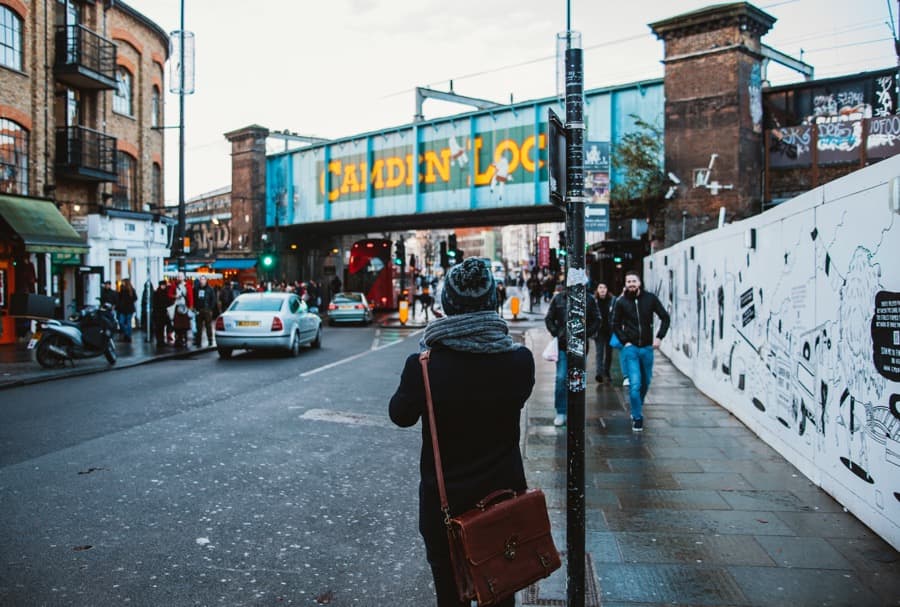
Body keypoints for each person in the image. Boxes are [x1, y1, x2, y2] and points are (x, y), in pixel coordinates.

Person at [389, 258, 534, 607]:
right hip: (502, 502)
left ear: (447, 305)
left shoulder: (423, 367)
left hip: (444, 508)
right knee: (501, 589)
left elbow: (400, 415)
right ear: (492, 303)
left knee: (450, 597)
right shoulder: (520, 362)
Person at [611, 271, 671, 432]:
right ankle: (637, 417)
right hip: (630, 349)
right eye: (628, 281)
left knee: (645, 383)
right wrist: (625, 341)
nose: (631, 284)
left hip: (647, 348)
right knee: (635, 384)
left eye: (633, 281)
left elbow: (665, 317)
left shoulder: (650, 299)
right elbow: (615, 323)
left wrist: (659, 337)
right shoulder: (621, 302)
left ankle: (637, 406)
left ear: (639, 283)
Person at [544, 282, 600, 426]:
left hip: (580, 346)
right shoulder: (559, 299)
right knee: (562, 377)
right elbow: (549, 318)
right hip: (563, 346)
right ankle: (561, 411)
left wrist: (586, 334)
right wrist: (557, 333)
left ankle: (575, 410)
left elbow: (597, 320)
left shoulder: (588, 299)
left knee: (577, 378)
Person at [593, 282, 614, 383]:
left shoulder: (612, 300)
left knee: (609, 353)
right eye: (600, 287)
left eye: (604, 287)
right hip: (599, 331)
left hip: (610, 330)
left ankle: (607, 372)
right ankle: (599, 373)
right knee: (599, 352)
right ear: (597, 289)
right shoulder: (594, 301)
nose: (602, 290)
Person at [168, 273, 194, 348]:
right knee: (177, 325)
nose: (179, 278)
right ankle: (178, 339)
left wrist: (191, 306)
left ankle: (184, 339)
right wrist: (175, 296)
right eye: (178, 277)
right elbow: (169, 295)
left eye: (181, 277)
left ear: (184, 277)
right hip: (177, 306)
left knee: (184, 325)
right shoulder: (174, 285)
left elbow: (190, 297)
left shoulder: (188, 286)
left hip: (185, 307)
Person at [193, 275, 217, 347]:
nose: (202, 281)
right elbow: (194, 298)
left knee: (208, 326)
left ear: (206, 280)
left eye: (203, 279)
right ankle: (198, 342)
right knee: (198, 327)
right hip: (198, 310)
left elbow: (213, 299)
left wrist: (210, 308)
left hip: (207, 310)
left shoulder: (210, 289)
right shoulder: (196, 289)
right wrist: (195, 308)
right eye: (201, 279)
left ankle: (210, 340)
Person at [115, 278, 137, 342]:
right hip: (124, 309)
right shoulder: (122, 290)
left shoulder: (131, 290)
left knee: (127, 322)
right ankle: (127, 335)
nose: (122, 283)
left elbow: (134, 298)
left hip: (127, 309)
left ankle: (127, 335)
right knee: (122, 322)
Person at [151, 280, 172, 346]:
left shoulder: (158, 292)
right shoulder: (159, 293)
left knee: (160, 327)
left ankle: (161, 340)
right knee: (160, 328)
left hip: (161, 313)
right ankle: (160, 341)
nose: (164, 286)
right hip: (160, 313)